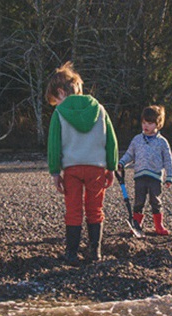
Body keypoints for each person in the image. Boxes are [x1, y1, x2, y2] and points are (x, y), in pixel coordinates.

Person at [46, 62, 118, 263]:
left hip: (72, 169)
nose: (56, 105)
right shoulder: (100, 109)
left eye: (55, 100)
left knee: (73, 210)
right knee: (95, 209)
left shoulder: (59, 114)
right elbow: (111, 140)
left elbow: (54, 145)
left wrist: (54, 172)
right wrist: (111, 167)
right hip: (96, 167)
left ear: (61, 92)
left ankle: (71, 253)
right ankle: (95, 252)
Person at [118, 105, 172, 236]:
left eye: (150, 123)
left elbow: (168, 160)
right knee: (138, 201)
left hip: (155, 177)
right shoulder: (137, 140)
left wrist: (169, 176)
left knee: (156, 201)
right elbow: (130, 155)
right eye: (144, 122)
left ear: (158, 124)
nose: (146, 126)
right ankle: (137, 225)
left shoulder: (162, 142)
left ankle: (159, 226)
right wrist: (122, 163)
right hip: (140, 177)